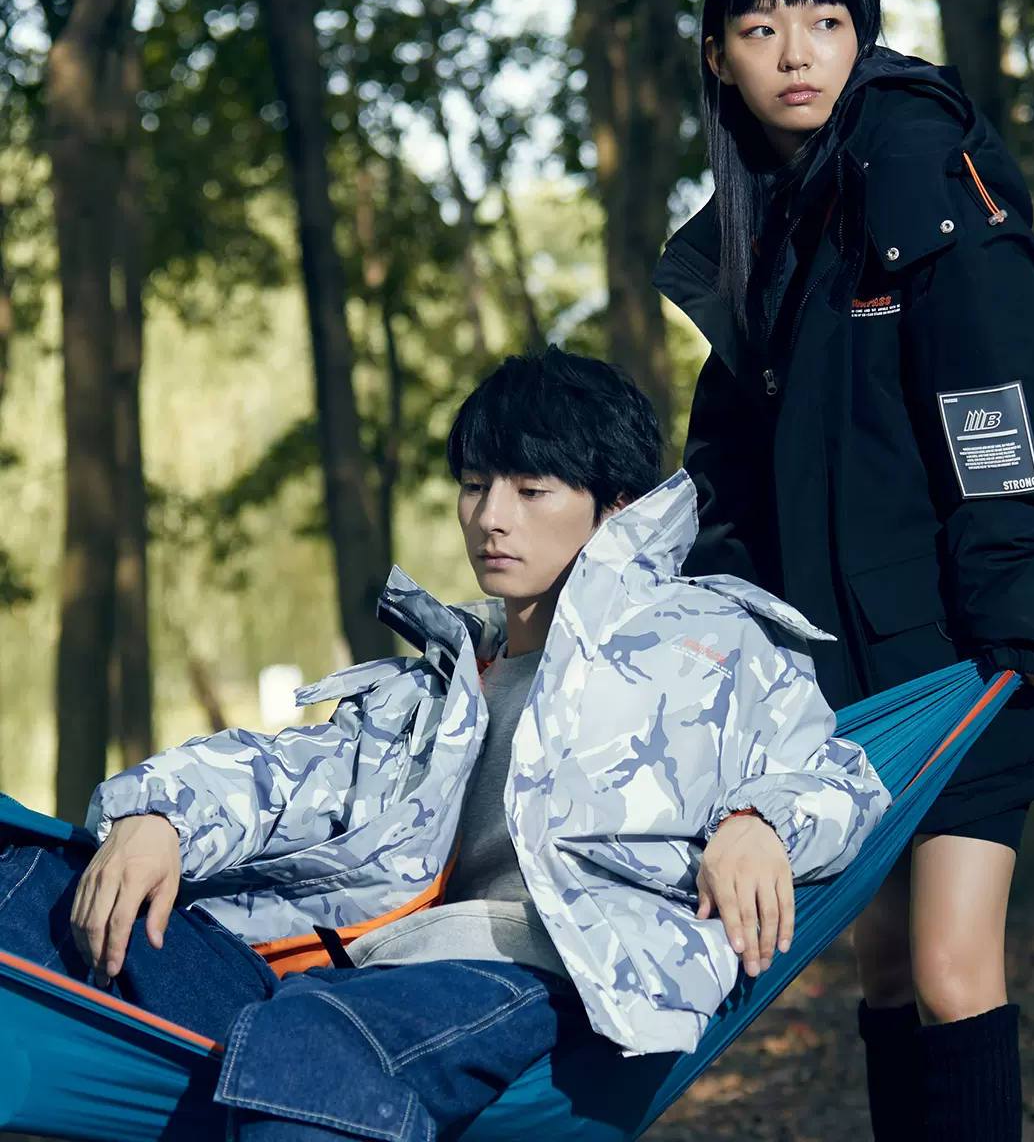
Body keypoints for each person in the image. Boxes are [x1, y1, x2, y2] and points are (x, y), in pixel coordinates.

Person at [0, 348, 890, 1142]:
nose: (491, 517)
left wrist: (759, 822)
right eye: (474, 486)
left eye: (531, 491)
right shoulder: (440, 677)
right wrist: (161, 816)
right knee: (34, 883)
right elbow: (293, 772)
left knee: (315, 1044)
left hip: (540, 977)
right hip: (342, 969)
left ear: (617, 508)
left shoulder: (707, 643)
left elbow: (839, 774)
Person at [653, 0, 1034, 1141]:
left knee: (952, 967)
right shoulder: (764, 229)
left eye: (826, 21)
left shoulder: (907, 154)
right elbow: (730, 465)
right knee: (886, 964)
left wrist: (1016, 580)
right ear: (718, 57)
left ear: (864, 33)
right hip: (860, 671)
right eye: (760, 28)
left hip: (969, 644)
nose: (797, 51)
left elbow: (1001, 378)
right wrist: (722, 618)